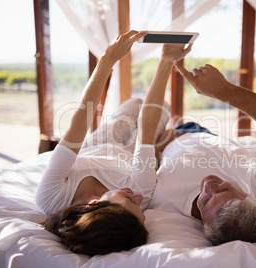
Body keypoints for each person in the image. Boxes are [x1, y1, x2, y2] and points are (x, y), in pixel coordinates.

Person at [35, 30, 192, 256]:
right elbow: (146, 127)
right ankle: (165, 137)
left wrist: (107, 59)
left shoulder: (51, 197)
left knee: (135, 102)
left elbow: (81, 120)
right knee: (163, 109)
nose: (139, 198)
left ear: (94, 204)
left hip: (97, 145)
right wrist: (167, 61)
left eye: (129, 199)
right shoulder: (141, 192)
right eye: (139, 207)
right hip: (130, 152)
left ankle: (165, 137)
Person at [149, 61, 256, 245]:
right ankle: (179, 122)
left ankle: (176, 124)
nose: (209, 183)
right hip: (205, 135)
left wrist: (156, 147)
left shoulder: (163, 201)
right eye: (226, 188)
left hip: (167, 142)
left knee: (145, 107)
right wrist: (224, 91)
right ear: (245, 197)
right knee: (179, 119)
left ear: (204, 223)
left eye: (206, 202)